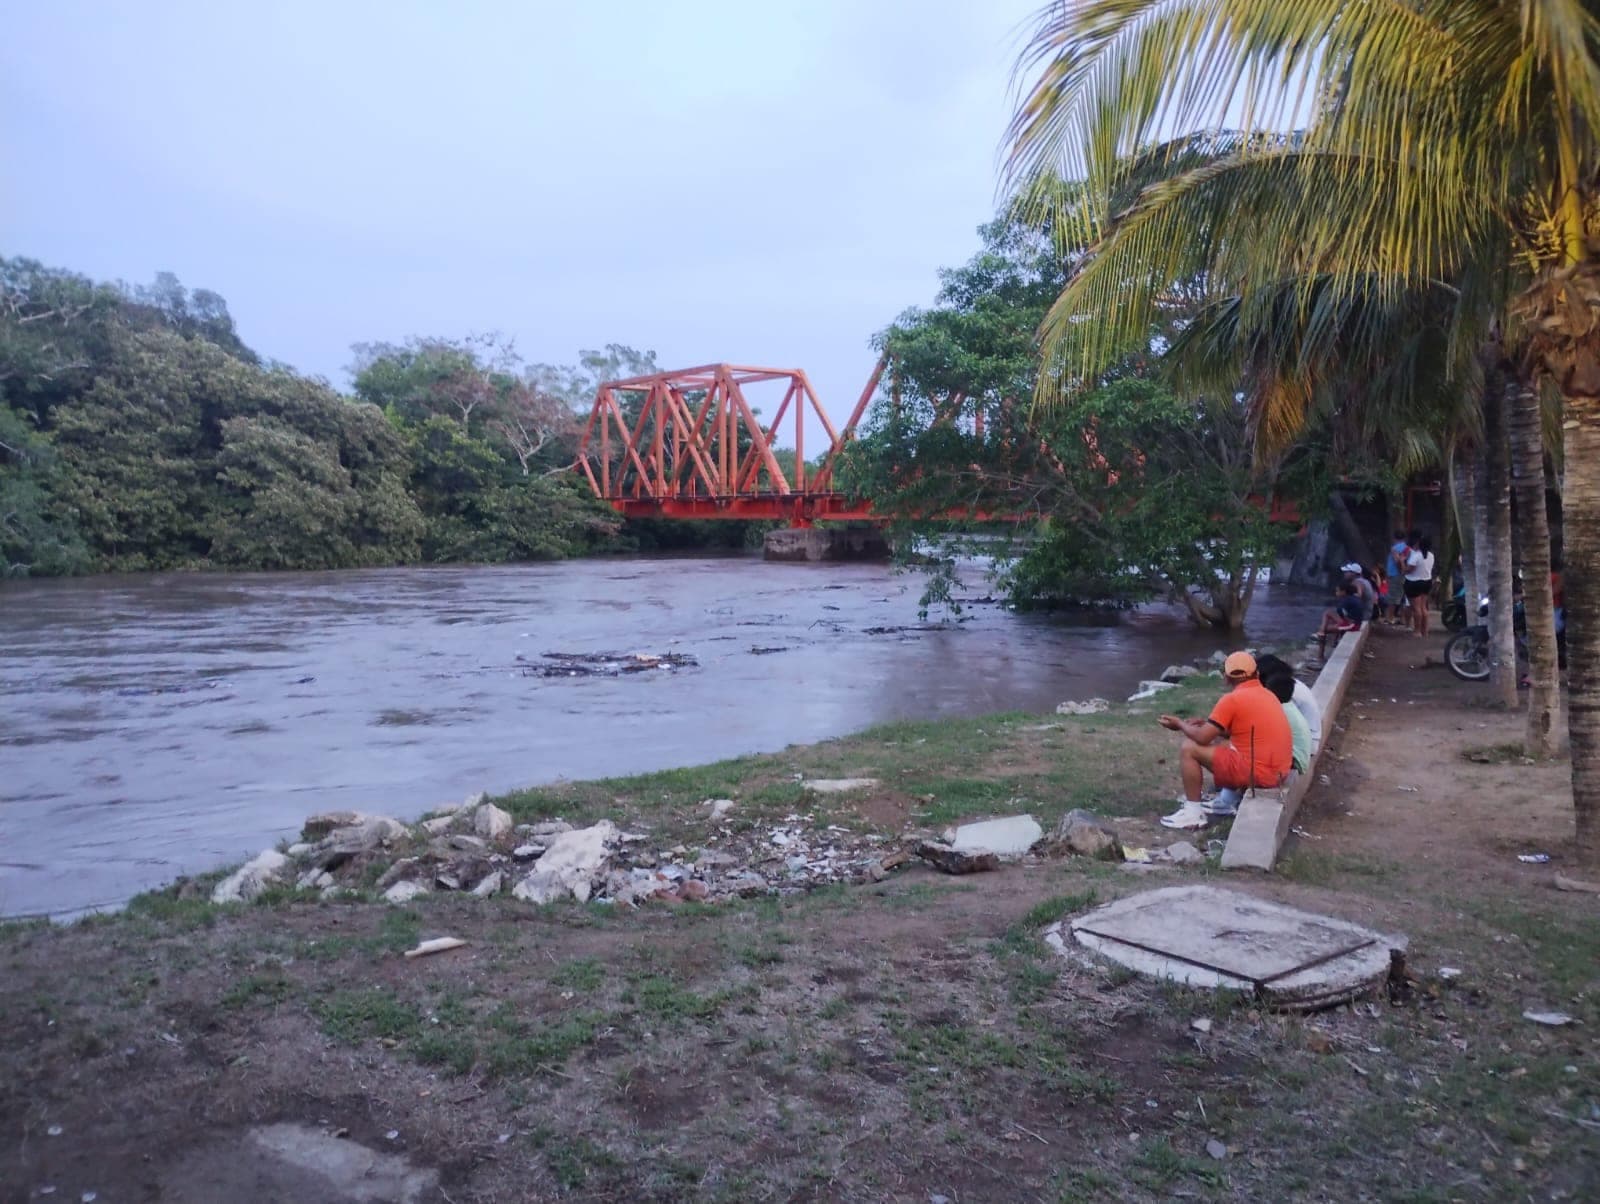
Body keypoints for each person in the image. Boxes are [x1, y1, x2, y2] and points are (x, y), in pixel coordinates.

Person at [1158, 651, 1293, 830]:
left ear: (1227, 678)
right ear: (1256, 674)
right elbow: (1240, 731)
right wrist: (1207, 724)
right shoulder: (1268, 695)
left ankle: (1192, 813)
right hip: (1278, 772)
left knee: (1189, 748)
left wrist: (1180, 724)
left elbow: (1202, 737)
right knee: (1224, 745)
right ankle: (1228, 800)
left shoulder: (1232, 699)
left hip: (1259, 773)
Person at [1203, 655, 1314, 819]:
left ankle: (1226, 800)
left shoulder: (1274, 702)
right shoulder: (1285, 695)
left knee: (1236, 749)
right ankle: (1228, 796)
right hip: (1298, 752)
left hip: (1293, 758)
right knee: (1239, 746)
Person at [1316, 582, 1366, 659]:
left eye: (1337, 591)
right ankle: (1326, 636)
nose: (1336, 593)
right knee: (1328, 614)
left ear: (1343, 592)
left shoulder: (1346, 601)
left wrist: (1338, 625)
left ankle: (1320, 656)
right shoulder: (1353, 598)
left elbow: (1344, 617)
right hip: (1355, 623)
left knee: (1324, 626)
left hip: (1351, 625)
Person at [1402, 532, 1436, 637]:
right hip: (1427, 582)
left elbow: (1407, 570)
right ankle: (1424, 630)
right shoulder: (1431, 555)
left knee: (1416, 608)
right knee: (1423, 607)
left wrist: (1402, 561)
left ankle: (1417, 631)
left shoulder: (1416, 556)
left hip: (1413, 583)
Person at [1385, 530, 1410, 624]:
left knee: (1393, 597)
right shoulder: (1407, 548)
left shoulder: (1394, 548)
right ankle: (1402, 618)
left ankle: (1390, 618)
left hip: (1396, 574)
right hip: (1404, 575)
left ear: (1394, 538)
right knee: (1403, 597)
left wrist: (1401, 570)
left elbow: (1397, 561)